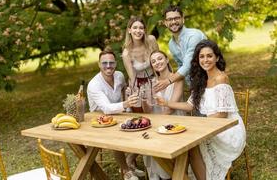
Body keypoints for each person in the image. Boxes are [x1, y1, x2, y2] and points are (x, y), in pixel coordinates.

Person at [156, 40, 246, 180]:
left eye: (209, 56)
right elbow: (189, 105)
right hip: (209, 126)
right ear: (197, 60)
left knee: (191, 145)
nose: (205, 60)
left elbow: (222, 114)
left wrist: (197, 124)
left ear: (217, 58)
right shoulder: (201, 80)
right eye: (201, 56)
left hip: (228, 129)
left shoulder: (221, 78)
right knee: (186, 144)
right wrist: (167, 103)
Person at [87, 47, 144, 180]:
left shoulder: (119, 75)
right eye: (104, 63)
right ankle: (126, 172)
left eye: (111, 63)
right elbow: (106, 108)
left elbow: (124, 89)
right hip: (98, 121)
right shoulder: (94, 84)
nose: (108, 66)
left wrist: (128, 106)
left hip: (119, 115)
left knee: (142, 127)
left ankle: (129, 161)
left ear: (115, 64)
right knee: (116, 137)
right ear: (99, 64)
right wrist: (126, 104)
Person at [142, 50, 186, 180]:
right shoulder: (151, 83)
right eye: (153, 61)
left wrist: (155, 126)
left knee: (155, 139)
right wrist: (144, 99)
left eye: (160, 59)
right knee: (146, 143)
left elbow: (171, 107)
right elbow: (148, 111)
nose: (157, 63)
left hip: (176, 122)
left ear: (167, 60)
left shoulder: (177, 78)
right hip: (158, 123)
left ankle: (173, 174)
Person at [154, 5, 206, 94]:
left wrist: (168, 81)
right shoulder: (171, 44)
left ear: (183, 19)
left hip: (209, 81)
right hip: (194, 85)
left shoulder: (194, 36)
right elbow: (180, 66)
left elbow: (188, 65)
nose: (173, 22)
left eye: (176, 18)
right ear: (165, 23)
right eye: (170, 19)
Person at [122, 16, 159, 112]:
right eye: (135, 28)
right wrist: (135, 93)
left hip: (155, 79)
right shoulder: (127, 53)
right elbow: (132, 78)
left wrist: (160, 81)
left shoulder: (151, 40)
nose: (138, 31)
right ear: (129, 30)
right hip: (140, 85)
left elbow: (159, 62)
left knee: (162, 108)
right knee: (148, 112)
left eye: (141, 28)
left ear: (144, 30)